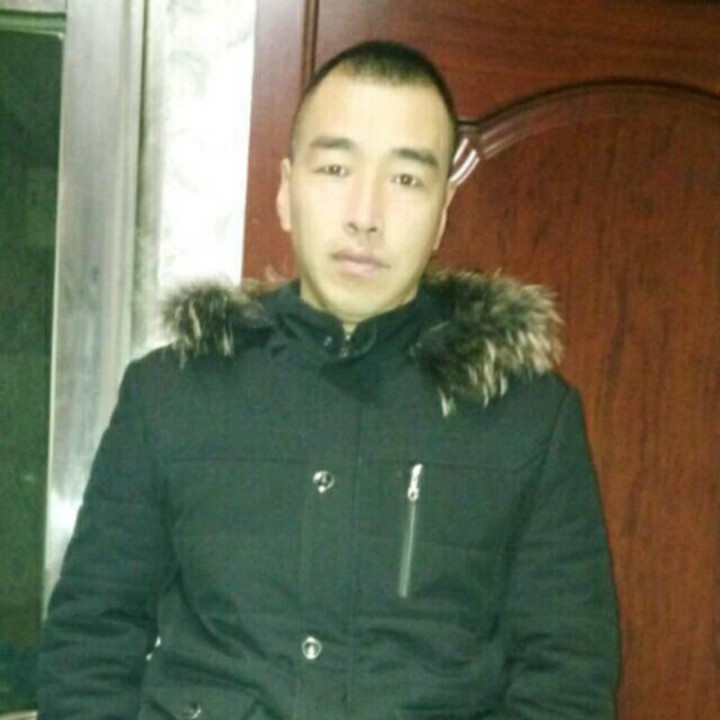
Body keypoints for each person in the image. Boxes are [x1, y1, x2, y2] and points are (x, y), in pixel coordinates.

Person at [39, 40, 619, 719]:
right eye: (336, 167)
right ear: (286, 192)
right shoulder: (169, 395)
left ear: (442, 213)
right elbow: (89, 644)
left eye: (406, 179)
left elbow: (567, 681)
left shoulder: (527, 419)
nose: (365, 214)